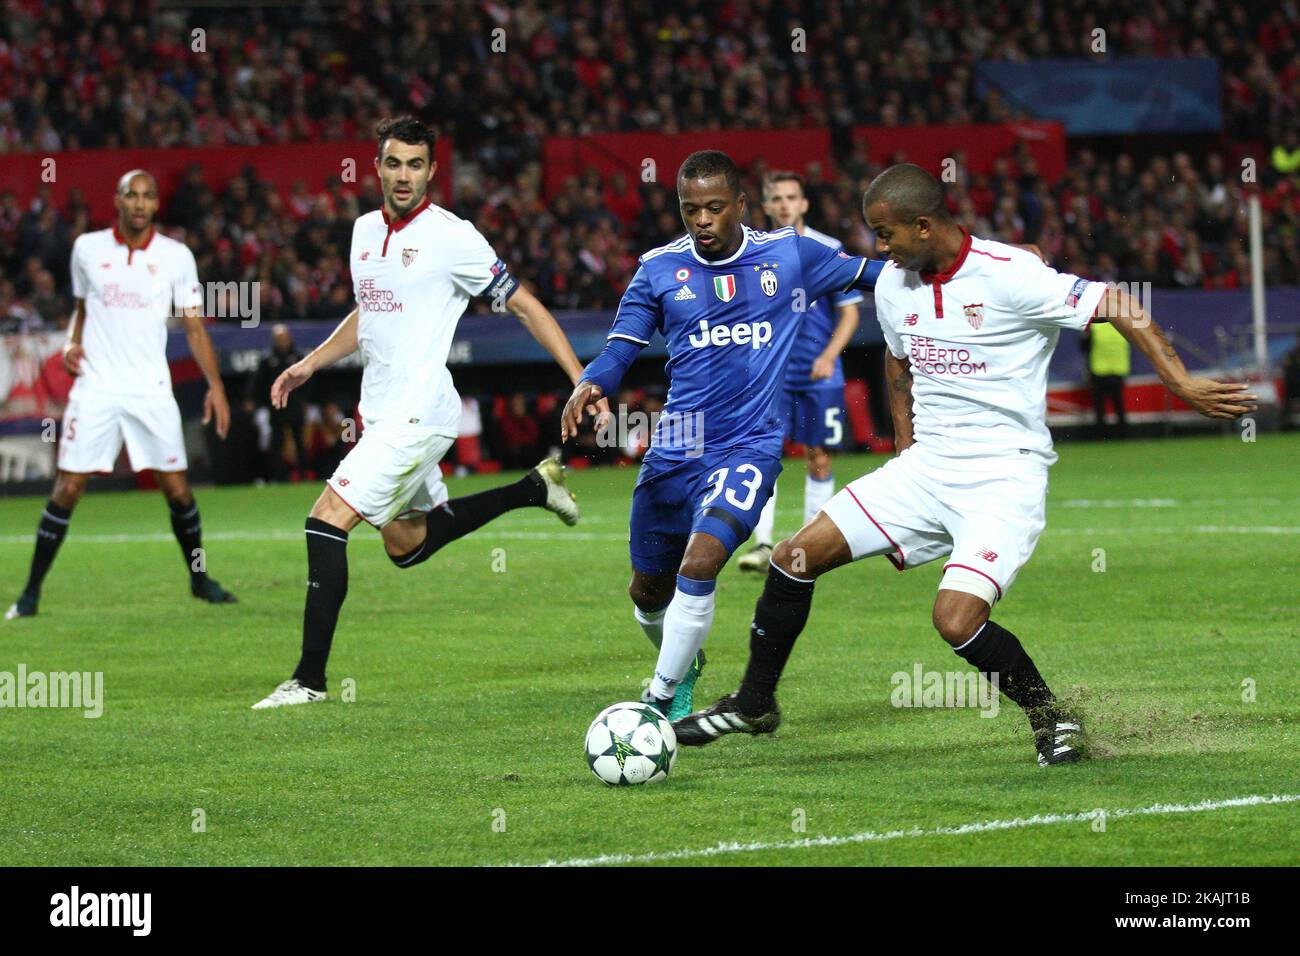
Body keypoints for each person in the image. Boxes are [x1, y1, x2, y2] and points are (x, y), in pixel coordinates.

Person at [675, 163, 1257, 765]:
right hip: (927, 469)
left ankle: (1052, 717)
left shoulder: (1012, 275)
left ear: (922, 226)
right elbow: (897, 364)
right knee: (793, 558)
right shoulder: (896, 284)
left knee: (955, 620)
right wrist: (905, 450)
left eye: (885, 233)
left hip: (1003, 475)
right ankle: (755, 704)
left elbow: (1119, 304)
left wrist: (1180, 382)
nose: (879, 248)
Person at [251, 116, 604, 708]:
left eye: (416, 164)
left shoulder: (453, 237)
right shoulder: (364, 231)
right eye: (394, 163)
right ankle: (533, 489)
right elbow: (369, 313)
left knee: (326, 518)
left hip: (420, 411)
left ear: (433, 170)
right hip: (383, 409)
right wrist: (311, 362)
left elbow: (525, 307)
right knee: (406, 544)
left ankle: (308, 681)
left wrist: (580, 378)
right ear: (378, 168)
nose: (404, 175)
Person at [561, 150, 884, 721]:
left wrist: (957, 266)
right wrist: (592, 382)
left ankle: (656, 705)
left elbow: (875, 272)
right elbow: (622, 345)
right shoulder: (658, 269)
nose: (703, 220)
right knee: (646, 594)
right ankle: (682, 664)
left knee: (702, 560)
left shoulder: (789, 254)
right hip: (679, 444)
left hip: (750, 443)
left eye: (714, 208)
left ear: (740, 205)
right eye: (691, 210)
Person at [7, 169, 237, 621]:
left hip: (150, 389)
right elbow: (80, 309)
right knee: (68, 487)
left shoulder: (176, 256)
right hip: (96, 387)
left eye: (147, 197)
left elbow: (193, 326)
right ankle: (30, 594)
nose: (139, 203)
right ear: (118, 200)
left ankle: (199, 578)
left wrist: (216, 385)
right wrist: (72, 344)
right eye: (131, 195)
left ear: (155, 206)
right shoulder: (87, 249)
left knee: (176, 490)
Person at [738, 172, 861, 572]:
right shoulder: (752, 251)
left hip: (819, 373)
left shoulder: (828, 248)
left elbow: (849, 314)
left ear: (804, 203)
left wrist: (828, 355)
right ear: (767, 205)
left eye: (792, 197)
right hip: (771, 373)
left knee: (819, 457)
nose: (785, 204)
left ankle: (810, 545)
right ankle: (762, 545)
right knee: (763, 454)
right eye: (777, 198)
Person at [244, 323, 309, 480]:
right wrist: (252, 399)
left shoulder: (299, 357)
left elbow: (309, 380)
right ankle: (277, 476)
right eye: (279, 339)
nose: (282, 342)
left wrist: (306, 400)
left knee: (299, 440)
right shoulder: (267, 359)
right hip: (276, 405)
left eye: (284, 338)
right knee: (276, 443)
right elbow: (258, 382)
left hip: (294, 404)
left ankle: (304, 474)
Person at [1081, 319, 1130, 439]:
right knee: (1118, 404)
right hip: (1118, 370)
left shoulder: (1094, 328)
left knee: (1099, 407)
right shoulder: (1121, 327)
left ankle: (1101, 436)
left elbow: (1084, 347)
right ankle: (1124, 435)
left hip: (1099, 370)